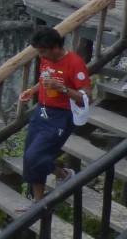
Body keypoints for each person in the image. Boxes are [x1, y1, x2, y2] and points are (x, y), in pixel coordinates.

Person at [17, 27, 90, 209]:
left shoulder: (75, 63)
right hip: (42, 111)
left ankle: (64, 175)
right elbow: (44, 79)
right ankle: (38, 203)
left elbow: (86, 97)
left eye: (43, 51)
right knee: (29, 156)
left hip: (61, 115)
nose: (41, 56)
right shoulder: (46, 59)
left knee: (36, 156)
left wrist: (62, 88)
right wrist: (32, 91)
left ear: (56, 47)